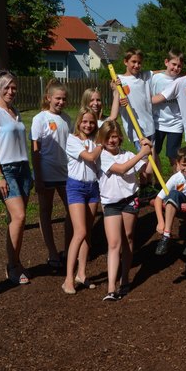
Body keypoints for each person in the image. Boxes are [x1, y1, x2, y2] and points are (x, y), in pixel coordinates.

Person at [97, 120, 152, 301]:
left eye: (114, 137)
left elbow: (147, 171)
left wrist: (149, 152)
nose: (111, 141)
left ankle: (125, 279)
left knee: (128, 238)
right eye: (107, 137)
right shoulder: (102, 156)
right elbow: (121, 169)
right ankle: (111, 287)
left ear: (119, 137)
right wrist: (140, 154)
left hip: (130, 199)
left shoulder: (127, 154)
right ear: (102, 139)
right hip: (111, 203)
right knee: (114, 243)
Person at [0, 70, 32, 285]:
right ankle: (13, 266)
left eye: (13, 87)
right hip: (6, 170)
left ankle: (15, 261)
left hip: (23, 168)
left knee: (17, 221)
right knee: (19, 216)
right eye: (6, 87)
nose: (11, 91)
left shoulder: (15, 111)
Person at [30, 79, 73, 269]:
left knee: (72, 211)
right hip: (46, 173)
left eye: (64, 99)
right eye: (57, 99)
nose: (61, 102)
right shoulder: (40, 119)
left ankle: (69, 249)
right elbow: (35, 149)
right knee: (45, 213)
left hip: (66, 173)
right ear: (49, 98)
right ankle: (52, 252)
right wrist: (38, 177)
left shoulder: (67, 119)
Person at [61, 107, 103, 295]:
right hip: (76, 186)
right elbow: (90, 157)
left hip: (93, 187)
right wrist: (101, 146)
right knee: (80, 231)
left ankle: (82, 273)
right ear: (78, 122)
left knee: (88, 234)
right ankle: (68, 278)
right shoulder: (72, 140)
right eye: (85, 121)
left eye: (92, 122)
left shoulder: (95, 140)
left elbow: (112, 123)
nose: (88, 125)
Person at [151, 49, 184, 173]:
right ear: (166, 62)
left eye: (179, 66)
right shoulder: (155, 78)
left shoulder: (182, 80)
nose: (176, 68)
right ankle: (158, 182)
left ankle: (177, 183)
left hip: (176, 123)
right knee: (153, 152)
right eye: (173, 64)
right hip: (157, 121)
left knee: (173, 156)